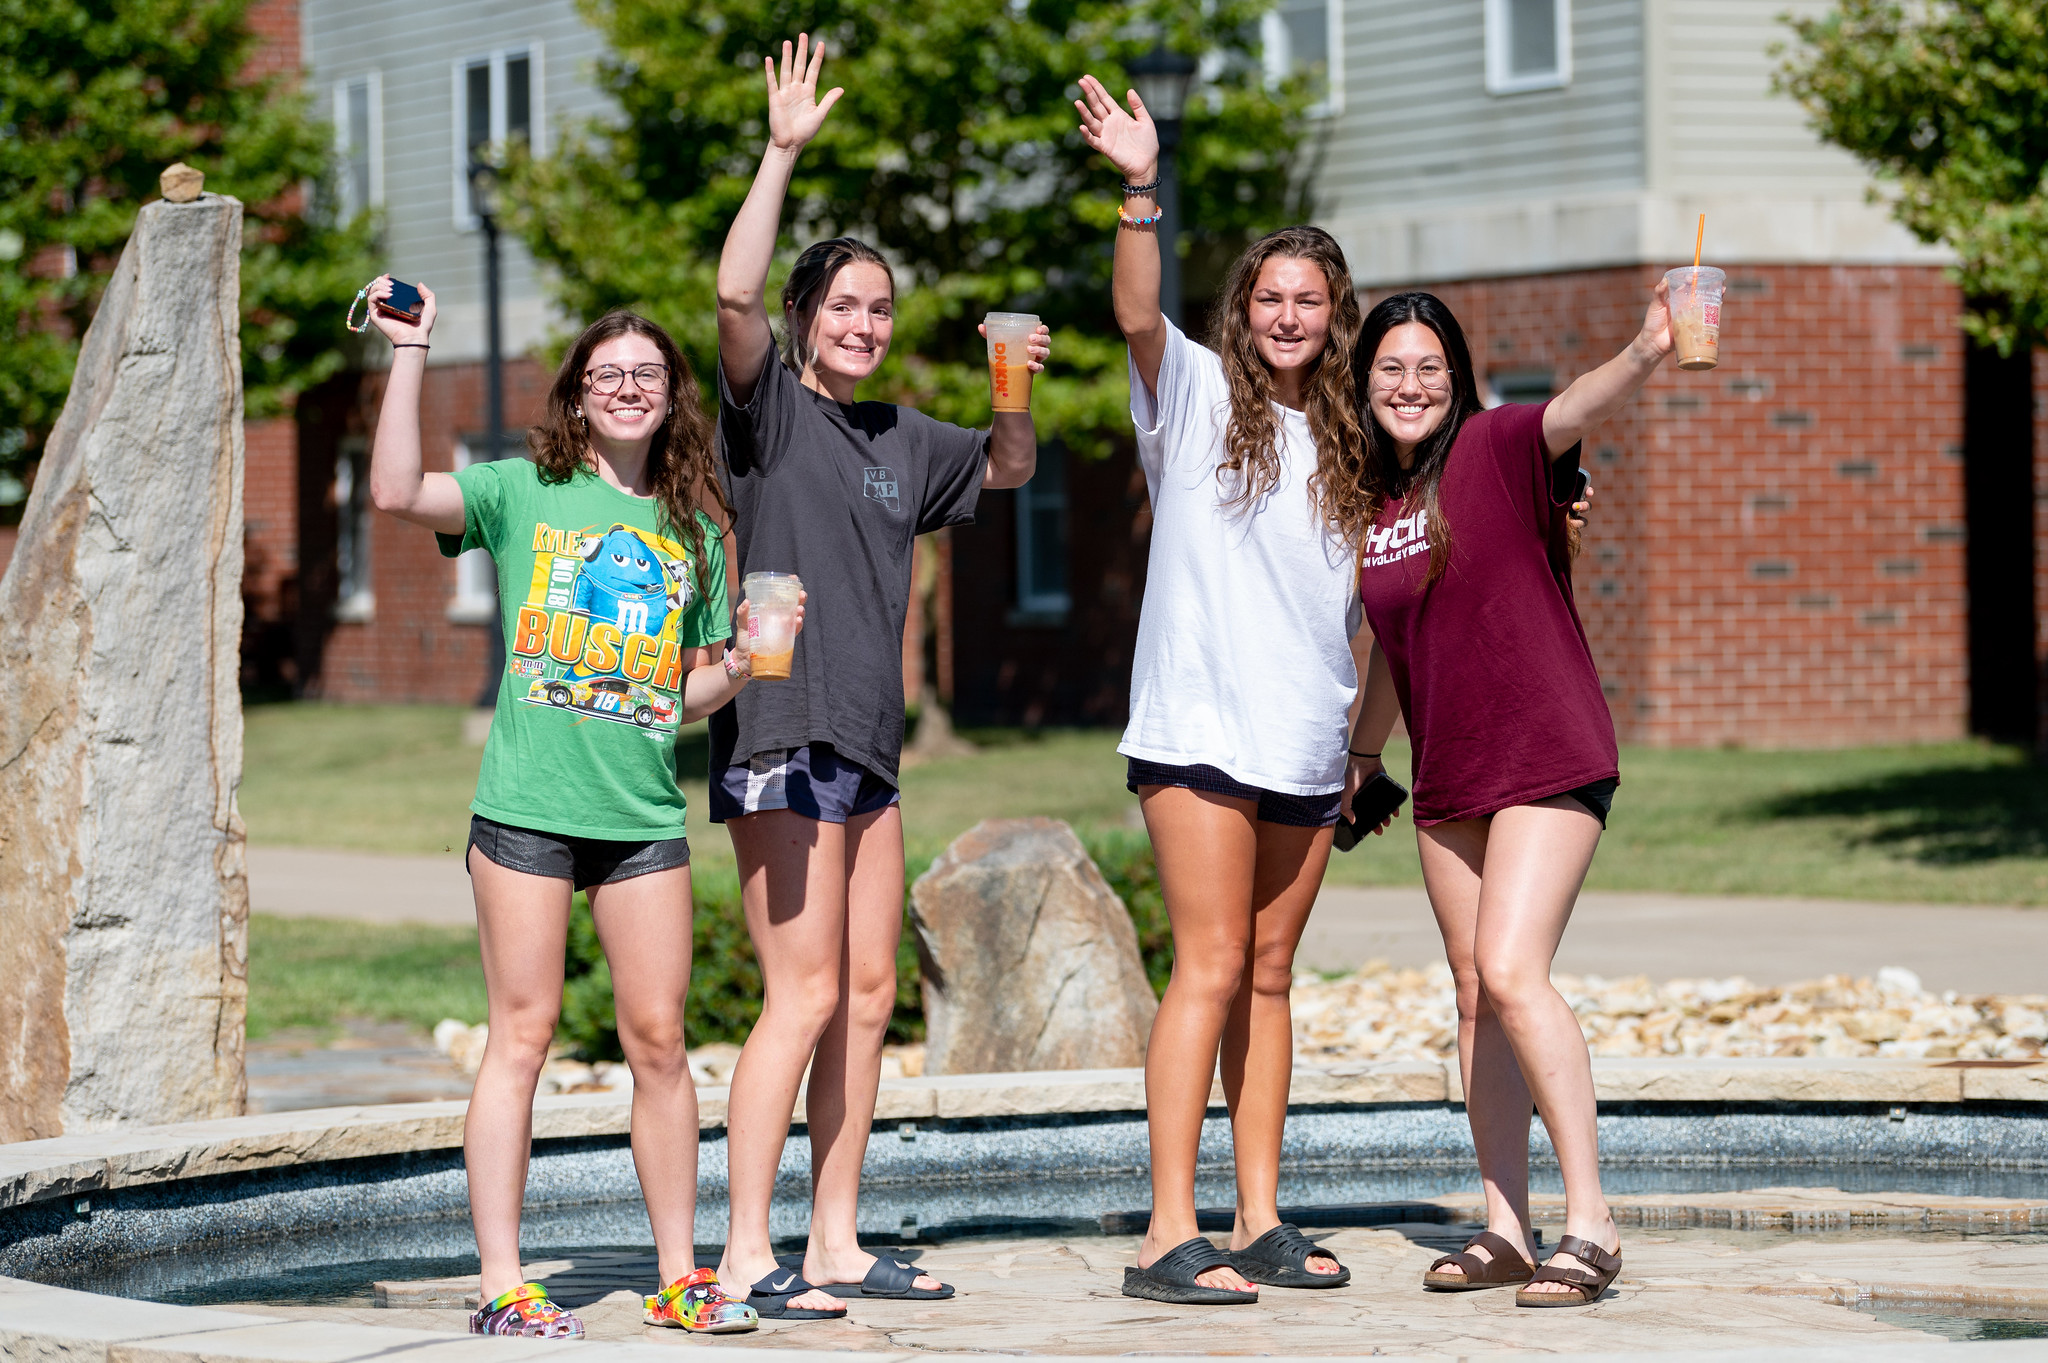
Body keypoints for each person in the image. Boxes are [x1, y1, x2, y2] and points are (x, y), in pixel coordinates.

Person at [365, 281, 788, 1339]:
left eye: (647, 374)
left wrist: (736, 666)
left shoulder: (693, 526)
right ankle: (503, 1281)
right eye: (609, 375)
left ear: (670, 394)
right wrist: (410, 351)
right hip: (526, 809)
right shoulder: (522, 490)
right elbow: (393, 493)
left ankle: (678, 1274)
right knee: (523, 1034)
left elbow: (674, 686)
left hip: (641, 813)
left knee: (659, 1041)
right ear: (577, 395)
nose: (629, 388)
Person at [708, 35, 1050, 1320]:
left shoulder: (907, 438)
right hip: (779, 729)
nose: (862, 324)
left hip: (867, 745)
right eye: (841, 307)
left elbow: (1007, 468)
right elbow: (733, 299)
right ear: (806, 322)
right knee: (796, 994)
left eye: (878, 310)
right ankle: (748, 1250)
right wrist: (781, 149)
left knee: (861, 992)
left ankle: (836, 1238)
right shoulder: (769, 415)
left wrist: (1010, 384)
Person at [1074, 75, 1377, 1306]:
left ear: (1333, 314)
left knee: (1267, 975)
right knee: (1204, 966)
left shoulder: (1358, 442)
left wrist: (1362, 748)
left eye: (1310, 299)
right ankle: (1164, 1230)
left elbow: (1365, 608)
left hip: (1306, 744)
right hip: (1199, 729)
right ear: (1242, 311)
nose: (1289, 315)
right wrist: (1142, 189)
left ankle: (1257, 1216)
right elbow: (1134, 310)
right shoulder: (1192, 393)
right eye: (1270, 297)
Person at [1342, 287, 1672, 1308]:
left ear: (1456, 380)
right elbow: (1392, 649)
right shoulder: (1375, 507)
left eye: (1427, 367)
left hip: (1544, 748)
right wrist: (1363, 758)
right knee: (1473, 992)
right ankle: (1503, 1228)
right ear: (1363, 384)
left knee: (1511, 970)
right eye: (1389, 368)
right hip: (1447, 772)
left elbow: (1572, 407)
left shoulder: (1492, 447)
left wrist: (1645, 348)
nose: (1408, 385)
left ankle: (1591, 1221)